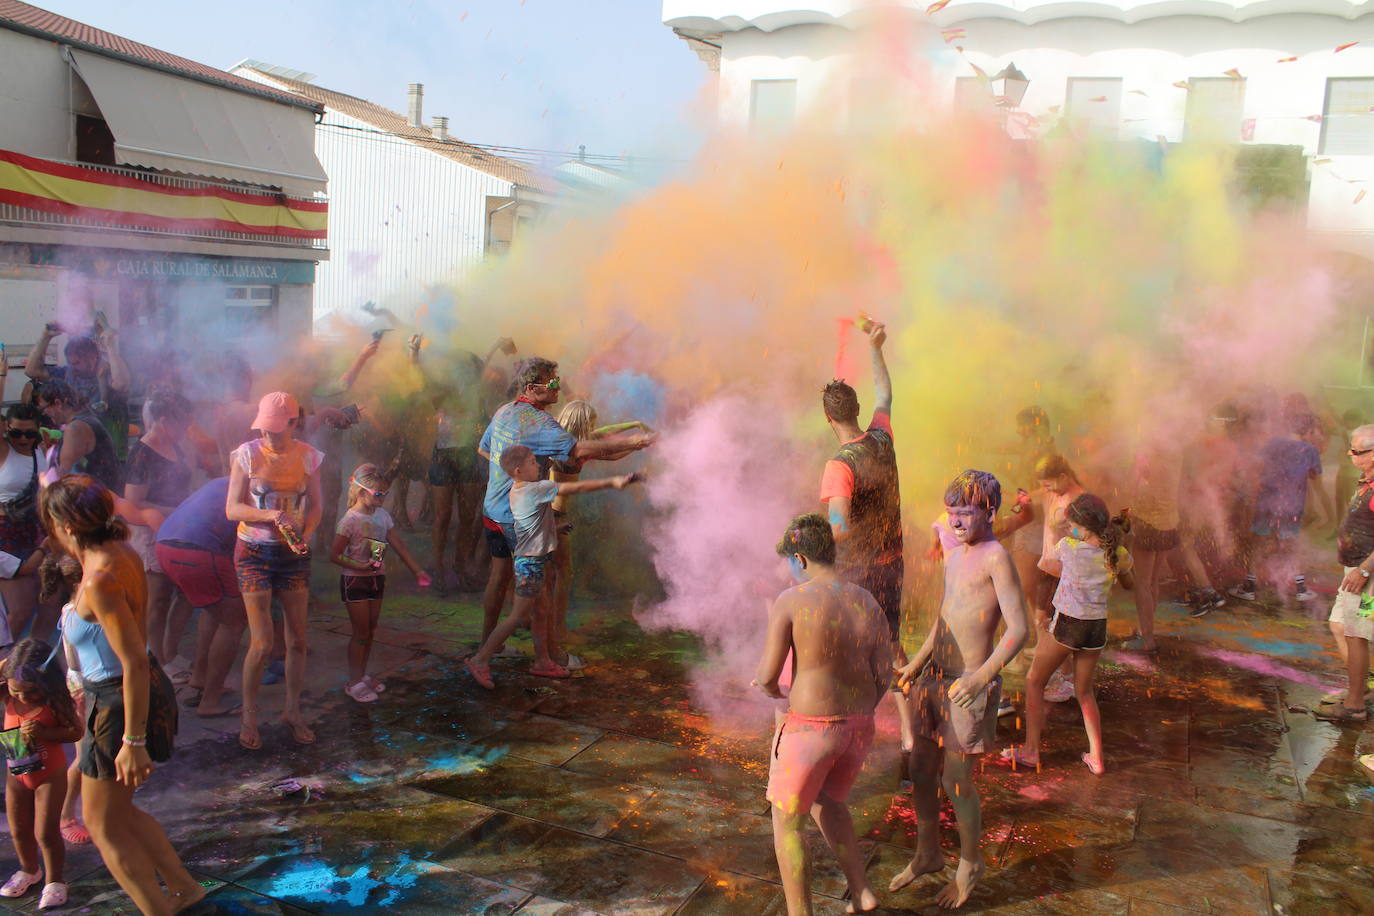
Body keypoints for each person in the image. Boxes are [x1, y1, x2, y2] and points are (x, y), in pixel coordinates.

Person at [38, 475, 202, 915]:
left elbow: (130, 662)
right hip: (122, 692)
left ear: (66, 525)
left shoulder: (100, 579)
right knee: (120, 812)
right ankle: (184, 889)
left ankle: (157, 909)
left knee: (101, 824)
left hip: (119, 700)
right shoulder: (118, 553)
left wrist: (134, 742)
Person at [892, 470, 1029, 910]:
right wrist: (916, 662)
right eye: (951, 513)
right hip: (935, 680)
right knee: (920, 769)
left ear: (989, 511)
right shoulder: (954, 556)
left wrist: (979, 677)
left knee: (956, 780)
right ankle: (928, 854)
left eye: (965, 514)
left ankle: (970, 864)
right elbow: (945, 618)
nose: (955, 522)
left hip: (968, 686)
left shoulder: (996, 558)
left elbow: (1019, 631)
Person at [753, 514, 890, 916]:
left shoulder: (791, 600)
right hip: (859, 728)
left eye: (790, 564)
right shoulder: (865, 599)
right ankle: (862, 892)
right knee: (828, 802)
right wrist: (859, 712)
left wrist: (773, 692)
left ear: (801, 558)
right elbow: (884, 673)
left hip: (810, 733)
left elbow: (765, 676)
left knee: (787, 825)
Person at [475, 358, 655, 659]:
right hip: (522, 519)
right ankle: (549, 659)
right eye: (553, 382)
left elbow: (484, 449)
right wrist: (636, 442)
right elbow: (580, 449)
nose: (559, 386)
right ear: (532, 388)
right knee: (540, 591)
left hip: (493, 510)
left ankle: (487, 645)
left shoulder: (505, 411)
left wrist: (514, 478)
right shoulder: (538, 422)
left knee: (499, 577)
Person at [818, 320, 914, 761]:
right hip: (892, 561)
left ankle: (854, 729)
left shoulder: (839, 465)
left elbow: (837, 529)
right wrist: (876, 347)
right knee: (891, 642)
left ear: (828, 417)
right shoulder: (882, 437)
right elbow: (886, 393)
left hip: (857, 569)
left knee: (851, 647)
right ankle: (911, 734)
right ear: (856, 409)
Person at [466, 445, 639, 687]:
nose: (538, 466)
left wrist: (554, 529)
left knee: (541, 611)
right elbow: (575, 487)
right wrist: (614, 481)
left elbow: (529, 526)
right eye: (532, 463)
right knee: (518, 616)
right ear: (518, 470)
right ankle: (481, 659)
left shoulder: (517, 490)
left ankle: (542, 662)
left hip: (529, 561)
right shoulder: (537, 489)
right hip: (531, 565)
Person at [1003, 495, 1131, 775]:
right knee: (1084, 692)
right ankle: (1096, 757)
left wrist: (1055, 524)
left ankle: (1031, 750)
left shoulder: (1069, 547)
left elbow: (1048, 568)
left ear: (1083, 526)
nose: (1070, 528)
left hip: (1068, 626)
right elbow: (1128, 580)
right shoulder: (1117, 553)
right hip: (1096, 629)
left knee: (1034, 681)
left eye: (1073, 524)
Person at [226, 393, 323, 750]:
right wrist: (271, 516)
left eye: (277, 430)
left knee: (297, 639)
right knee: (263, 642)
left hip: (293, 554)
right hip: (254, 552)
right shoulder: (246, 454)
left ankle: (292, 710)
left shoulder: (309, 456)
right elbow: (233, 508)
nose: (269, 437)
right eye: (265, 430)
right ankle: (249, 715)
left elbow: (317, 506)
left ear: (294, 424)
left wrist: (306, 536)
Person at [549, 400, 652, 669]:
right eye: (591, 422)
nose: (595, 427)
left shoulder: (561, 439)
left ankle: (546, 626)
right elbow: (610, 451)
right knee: (562, 574)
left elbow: (605, 434)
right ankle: (557, 631)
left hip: (549, 514)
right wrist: (637, 442)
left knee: (554, 574)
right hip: (553, 517)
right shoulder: (571, 451)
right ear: (583, 424)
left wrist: (634, 425)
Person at [330, 464, 430, 703]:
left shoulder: (383, 517)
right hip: (354, 580)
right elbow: (334, 555)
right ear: (362, 492)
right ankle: (353, 682)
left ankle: (361, 675)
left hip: (376, 578)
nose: (383, 498)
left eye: (386, 493)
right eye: (378, 494)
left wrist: (418, 571)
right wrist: (359, 566)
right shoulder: (350, 520)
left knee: (370, 630)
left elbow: (399, 545)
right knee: (360, 632)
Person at [153, 478, 246, 718]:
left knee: (213, 607)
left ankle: (201, 677)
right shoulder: (254, 488)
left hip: (164, 544)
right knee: (234, 621)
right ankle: (210, 701)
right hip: (198, 550)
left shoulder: (223, 481)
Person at [0, 639, 81, 909]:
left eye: (31, 693)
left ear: (46, 684)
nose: (23, 698)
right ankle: (28, 870)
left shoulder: (55, 701)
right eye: (17, 691)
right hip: (17, 772)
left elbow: (76, 731)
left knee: (45, 833)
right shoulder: (7, 693)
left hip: (49, 774)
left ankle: (55, 881)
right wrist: (9, 665)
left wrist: (45, 733)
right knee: (19, 829)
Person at [122, 394, 194, 668]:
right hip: (150, 532)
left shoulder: (175, 445)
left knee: (187, 592)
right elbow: (134, 501)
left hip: (178, 527)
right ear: (163, 421)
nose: (186, 430)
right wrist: (174, 511)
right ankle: (158, 661)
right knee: (158, 598)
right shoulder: (142, 453)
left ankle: (170, 651)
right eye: (182, 424)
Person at [1229, 412, 1323, 606]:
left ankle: (1249, 586)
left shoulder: (1273, 444)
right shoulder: (1310, 450)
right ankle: (1300, 588)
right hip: (1291, 507)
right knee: (1291, 547)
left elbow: (1257, 467)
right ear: (1309, 430)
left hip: (1266, 504)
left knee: (1258, 545)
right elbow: (1314, 475)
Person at [1315, 424, 1374, 724]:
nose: (1350, 454)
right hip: (1355, 569)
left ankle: (1354, 705)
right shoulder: (1366, 481)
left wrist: (1364, 570)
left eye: (1358, 451)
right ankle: (1360, 689)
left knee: (1355, 633)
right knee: (1340, 625)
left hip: (1366, 575)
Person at [1028, 454, 1085, 705]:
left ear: (1063, 477)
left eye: (1049, 483)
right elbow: (1030, 496)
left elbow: (1086, 536)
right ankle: (1049, 668)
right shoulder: (1052, 491)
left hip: (1066, 572)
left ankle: (1066, 679)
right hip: (1048, 567)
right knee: (1041, 620)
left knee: (1061, 627)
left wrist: (1064, 524)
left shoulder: (1080, 500)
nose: (1046, 489)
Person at [25, 324, 130, 460]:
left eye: (77, 363)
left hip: (111, 456)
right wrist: (46, 336)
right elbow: (31, 371)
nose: (73, 367)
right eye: (70, 363)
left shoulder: (107, 372)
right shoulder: (67, 373)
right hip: (81, 455)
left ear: (93, 357)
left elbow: (121, 384)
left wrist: (110, 347)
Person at [0, 404, 51, 641]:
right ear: (6, 429)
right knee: (20, 611)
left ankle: (31, 663)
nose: (22, 438)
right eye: (15, 432)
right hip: (6, 537)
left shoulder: (39, 449)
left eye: (29, 433)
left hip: (35, 531)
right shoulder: (3, 449)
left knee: (44, 604)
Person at [1124, 445, 1182, 652]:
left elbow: (1137, 491)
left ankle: (1147, 638)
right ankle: (1145, 629)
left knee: (1142, 584)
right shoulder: (1175, 456)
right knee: (1153, 581)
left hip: (1148, 525)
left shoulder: (1148, 460)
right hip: (1169, 523)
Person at [34, 383, 121, 492]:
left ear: (58, 403)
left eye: (44, 408)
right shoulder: (87, 418)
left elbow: (64, 477)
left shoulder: (75, 428)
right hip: (101, 495)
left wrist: (44, 479)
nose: (44, 413)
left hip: (93, 500)